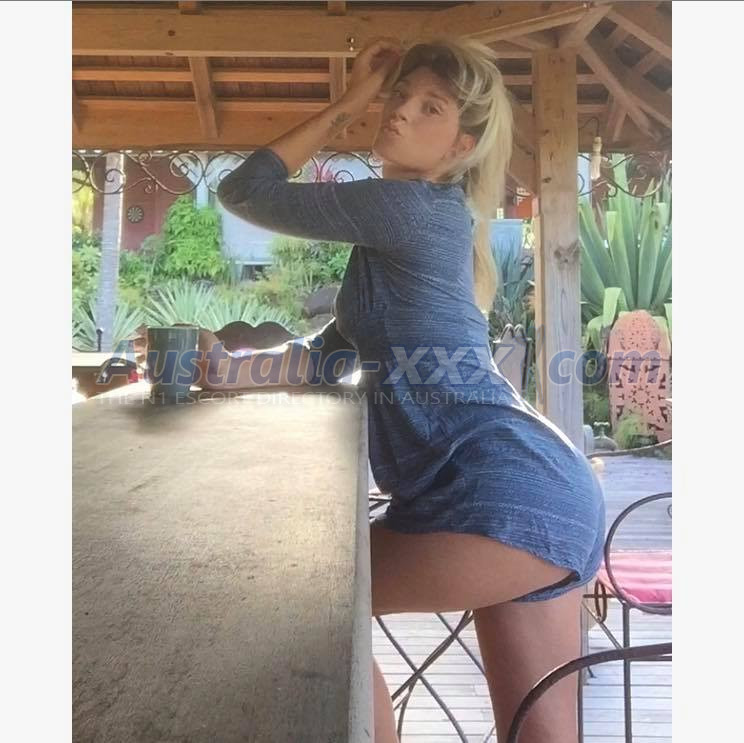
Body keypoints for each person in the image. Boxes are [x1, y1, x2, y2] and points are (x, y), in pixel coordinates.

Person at [205, 34, 606, 743]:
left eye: (430, 108)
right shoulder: (400, 236)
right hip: (542, 490)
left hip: (503, 490)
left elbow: (245, 191)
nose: (398, 113)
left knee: (312, 602)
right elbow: (325, 358)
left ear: (461, 146)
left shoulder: (406, 208)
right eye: (398, 98)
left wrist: (351, 97)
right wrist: (227, 368)